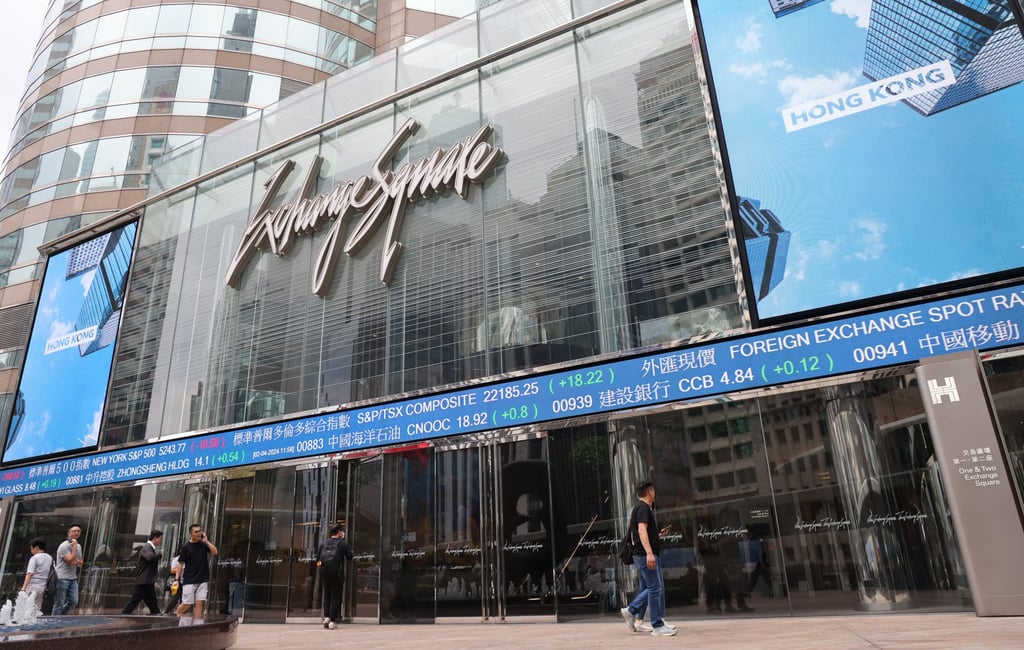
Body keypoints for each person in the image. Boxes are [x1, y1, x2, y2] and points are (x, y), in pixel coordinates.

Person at [619, 480, 677, 636]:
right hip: (645, 555)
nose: (655, 494)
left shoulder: (638, 508)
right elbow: (641, 531)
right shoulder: (643, 508)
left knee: (649, 587)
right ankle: (653, 623)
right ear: (650, 491)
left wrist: (656, 537)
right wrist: (650, 553)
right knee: (655, 588)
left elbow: (641, 533)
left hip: (643, 554)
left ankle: (637, 618)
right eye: (654, 491)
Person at [175, 524, 218, 624]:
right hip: (189, 579)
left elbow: (215, 552)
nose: (199, 533)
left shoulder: (203, 544)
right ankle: (176, 619)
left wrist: (206, 541)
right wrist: (176, 580)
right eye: (196, 532)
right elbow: (180, 564)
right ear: (191, 534)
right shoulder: (186, 547)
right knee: (187, 604)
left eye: (200, 531)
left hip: (203, 579)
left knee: (199, 604)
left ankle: (197, 625)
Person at [317, 524, 353, 629]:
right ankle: (332, 620)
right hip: (337, 574)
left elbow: (318, 560)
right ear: (339, 532)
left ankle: (326, 617)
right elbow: (350, 556)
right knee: (335, 597)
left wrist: (322, 568)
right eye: (342, 531)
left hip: (325, 574)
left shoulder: (323, 543)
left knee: (327, 596)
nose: (343, 533)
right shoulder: (343, 543)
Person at [121, 530, 163, 614]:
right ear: (155, 538)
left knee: (153, 605)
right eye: (160, 539)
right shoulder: (147, 547)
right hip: (143, 582)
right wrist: (159, 555)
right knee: (133, 602)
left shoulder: (149, 548)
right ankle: (123, 616)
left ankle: (156, 615)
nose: (161, 541)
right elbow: (150, 558)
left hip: (147, 582)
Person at [52, 523, 84, 615]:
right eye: (74, 531)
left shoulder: (79, 546)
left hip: (73, 578)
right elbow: (70, 560)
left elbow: (80, 563)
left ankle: (60, 616)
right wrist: (74, 547)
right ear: (69, 533)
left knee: (74, 601)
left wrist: (77, 561)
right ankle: (54, 621)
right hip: (62, 578)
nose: (77, 533)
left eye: (78, 531)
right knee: (59, 603)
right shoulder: (64, 546)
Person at [21, 537, 54, 610]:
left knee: (27, 607)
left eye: (31, 548)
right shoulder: (49, 557)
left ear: (36, 547)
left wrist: (24, 588)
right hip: (43, 586)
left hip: (32, 585)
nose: (31, 550)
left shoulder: (34, 558)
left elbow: (29, 573)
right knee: (37, 608)